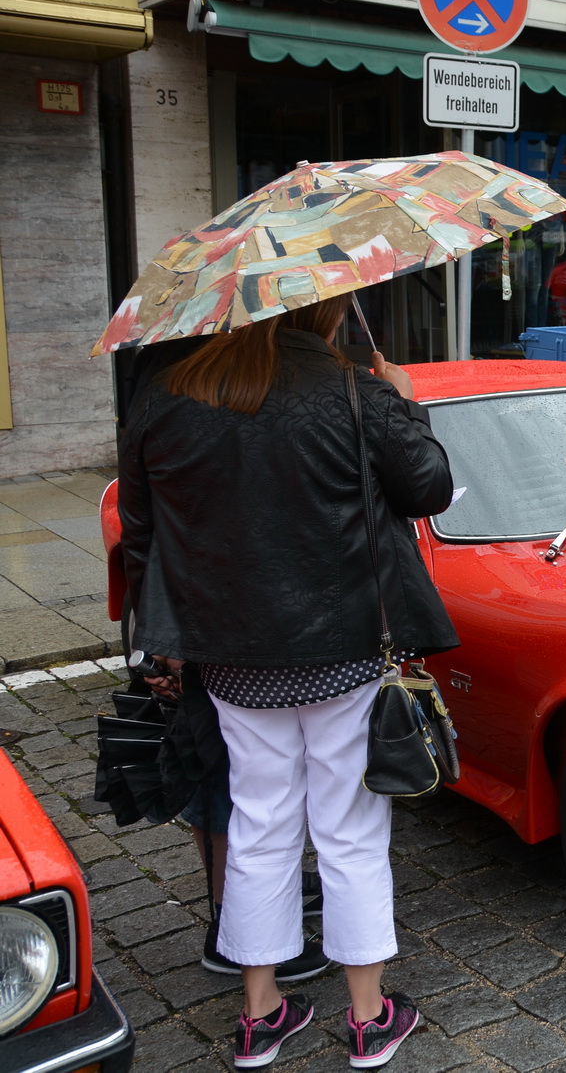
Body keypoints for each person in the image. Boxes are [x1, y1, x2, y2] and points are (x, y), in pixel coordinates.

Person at [121, 294, 459, 1068]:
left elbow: (142, 532)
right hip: (341, 650)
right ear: (331, 312)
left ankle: (259, 1012)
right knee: (349, 827)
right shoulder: (359, 391)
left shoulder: (168, 397)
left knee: (259, 822)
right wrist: (407, 404)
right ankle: (370, 1018)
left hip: (233, 660)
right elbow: (430, 488)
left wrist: (160, 646)